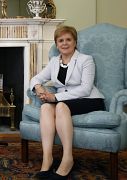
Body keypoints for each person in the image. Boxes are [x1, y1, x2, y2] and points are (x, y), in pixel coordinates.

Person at [30, 25, 105, 179]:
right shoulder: (54, 62)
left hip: (90, 99)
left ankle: (67, 158)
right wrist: (39, 88)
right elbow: (36, 78)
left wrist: (55, 98)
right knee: (45, 108)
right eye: (60, 40)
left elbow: (85, 89)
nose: (64, 43)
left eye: (68, 40)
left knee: (61, 106)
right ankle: (47, 159)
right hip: (66, 100)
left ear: (75, 42)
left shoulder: (86, 59)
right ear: (56, 44)